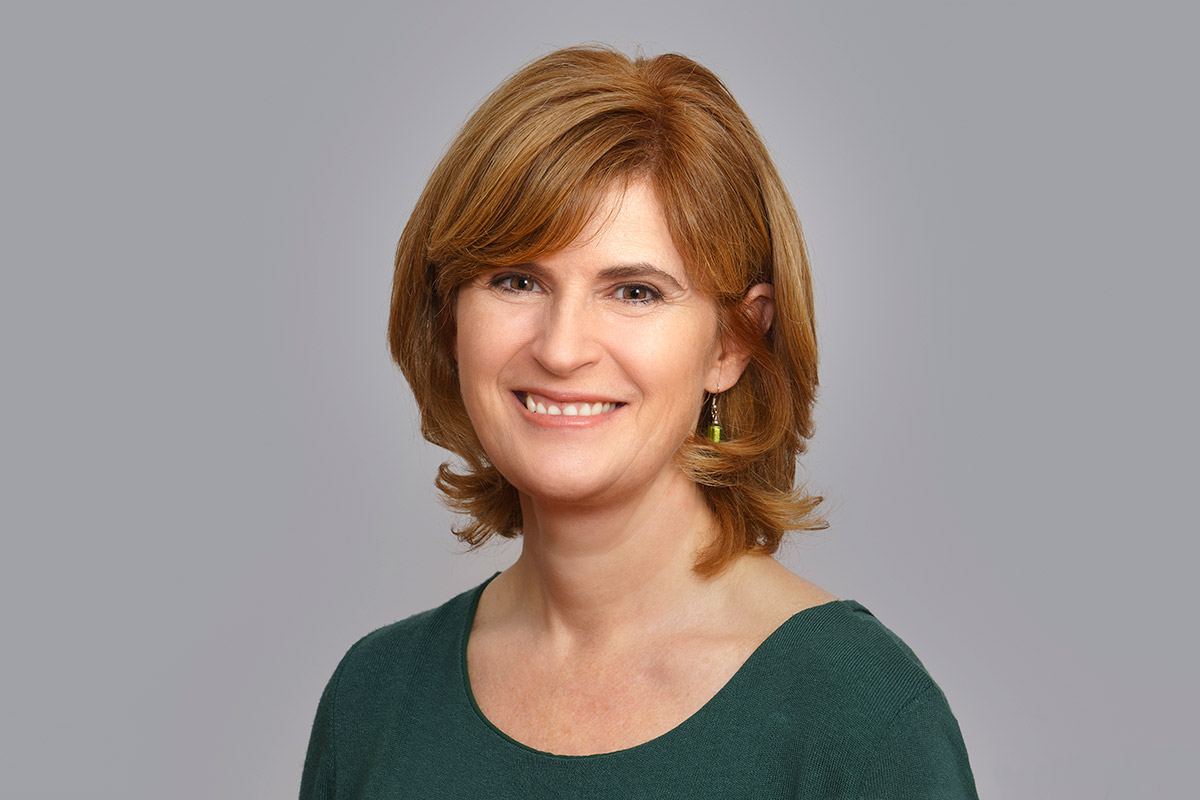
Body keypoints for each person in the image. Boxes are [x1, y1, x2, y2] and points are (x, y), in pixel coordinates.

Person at [299, 46, 978, 799]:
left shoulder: (861, 718)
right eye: (517, 281)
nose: (561, 350)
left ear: (731, 343)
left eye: (634, 292)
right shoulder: (375, 700)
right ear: (449, 315)